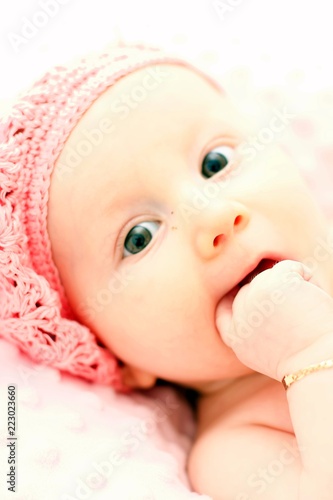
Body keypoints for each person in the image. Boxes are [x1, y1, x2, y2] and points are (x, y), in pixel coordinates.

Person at [1, 42, 333, 499]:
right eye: (140, 236)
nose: (212, 215)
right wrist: (312, 351)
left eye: (215, 163)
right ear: (114, 355)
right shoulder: (237, 449)